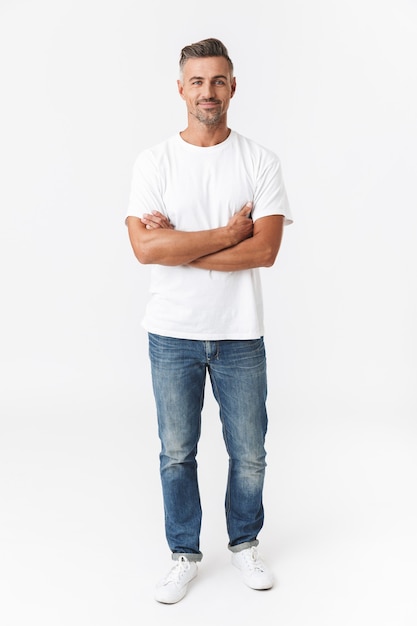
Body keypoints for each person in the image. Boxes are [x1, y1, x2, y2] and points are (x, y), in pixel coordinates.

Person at [125, 37, 293, 604]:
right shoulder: (154, 162)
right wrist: (225, 235)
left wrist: (180, 243)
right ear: (180, 89)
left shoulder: (259, 160)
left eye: (218, 80)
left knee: (249, 452)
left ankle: (244, 545)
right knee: (177, 451)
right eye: (197, 82)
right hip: (172, 332)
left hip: (240, 333)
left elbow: (264, 252)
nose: (208, 92)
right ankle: (184, 554)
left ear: (233, 86)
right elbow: (145, 250)